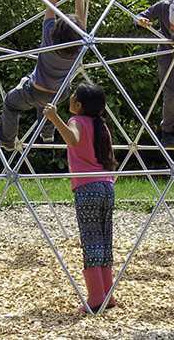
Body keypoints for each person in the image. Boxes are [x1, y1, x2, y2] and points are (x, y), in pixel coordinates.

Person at [43, 83, 117, 313]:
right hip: (107, 185)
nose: (70, 99)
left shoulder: (78, 121)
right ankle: (108, 294)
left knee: (91, 240)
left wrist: (55, 118)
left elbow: (73, 139)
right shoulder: (102, 126)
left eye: (73, 96)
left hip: (87, 187)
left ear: (79, 105)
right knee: (104, 240)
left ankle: (95, 298)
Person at [0, 0, 85, 151]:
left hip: (35, 91)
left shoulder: (49, 40)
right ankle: (47, 132)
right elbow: (81, 19)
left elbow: (50, 6)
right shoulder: (80, 46)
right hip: (60, 93)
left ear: (56, 29)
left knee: (11, 104)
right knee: (46, 103)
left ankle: (7, 140)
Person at [135, 0, 174, 149]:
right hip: (167, 53)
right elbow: (140, 16)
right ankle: (167, 132)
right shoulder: (164, 6)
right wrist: (141, 20)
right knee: (173, 93)